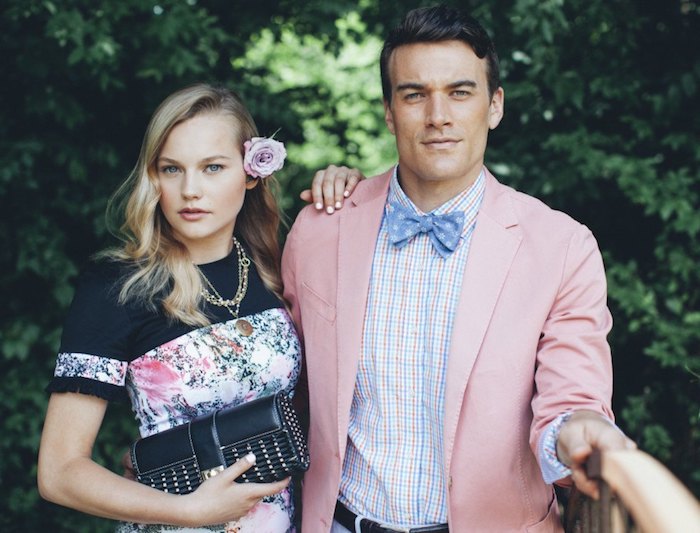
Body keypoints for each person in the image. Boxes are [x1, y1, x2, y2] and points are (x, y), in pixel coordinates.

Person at [282, 5, 635, 532]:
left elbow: (572, 397)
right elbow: (280, 381)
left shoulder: (563, 247)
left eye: (460, 92)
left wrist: (580, 431)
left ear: (494, 106)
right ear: (388, 110)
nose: (437, 115)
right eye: (414, 94)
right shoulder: (319, 228)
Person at [37, 83, 356, 533]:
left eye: (212, 167)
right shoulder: (117, 288)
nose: (191, 190)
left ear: (251, 173)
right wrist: (191, 511)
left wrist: (350, 192)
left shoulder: (274, 267)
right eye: (172, 169)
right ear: (154, 179)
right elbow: (60, 473)